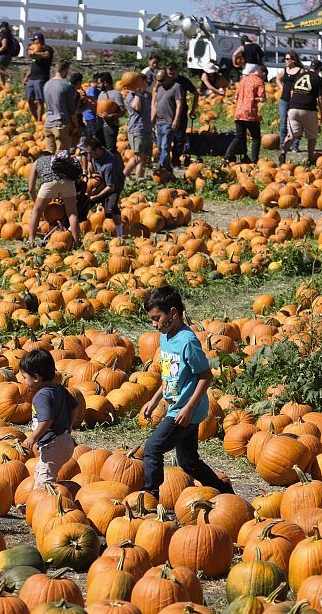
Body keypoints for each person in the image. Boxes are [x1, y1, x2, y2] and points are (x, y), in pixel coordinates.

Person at [140, 286, 233, 500]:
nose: (155, 324)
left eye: (157, 318)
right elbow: (168, 376)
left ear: (173, 313)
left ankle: (150, 495)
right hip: (177, 407)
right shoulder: (165, 337)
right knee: (188, 462)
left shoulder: (188, 341)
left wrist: (188, 409)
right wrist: (154, 401)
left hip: (185, 410)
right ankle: (222, 489)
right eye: (151, 320)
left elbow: (205, 376)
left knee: (152, 448)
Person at [21, 349, 79, 489]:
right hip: (65, 440)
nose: (23, 381)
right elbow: (75, 406)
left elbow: (47, 420)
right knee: (41, 471)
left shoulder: (41, 396)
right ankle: (59, 491)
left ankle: (43, 500)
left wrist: (33, 437)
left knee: (44, 479)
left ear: (36, 378)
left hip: (53, 444)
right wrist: (69, 425)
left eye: (24, 377)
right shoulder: (59, 389)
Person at [26, 149, 81, 247]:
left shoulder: (37, 162)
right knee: (72, 213)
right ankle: (77, 243)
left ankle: (31, 241)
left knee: (36, 212)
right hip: (68, 181)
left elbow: (31, 189)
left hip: (49, 183)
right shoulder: (56, 158)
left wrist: (38, 204)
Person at [280, 62, 322, 166]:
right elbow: (320, 99)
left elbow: (292, 92)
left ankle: (283, 153)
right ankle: (310, 158)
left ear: (310, 67)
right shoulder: (318, 79)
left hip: (293, 108)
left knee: (292, 135)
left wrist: (293, 104)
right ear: (319, 69)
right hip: (308, 109)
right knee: (312, 136)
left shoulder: (299, 76)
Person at [223, 65, 266, 166]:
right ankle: (254, 161)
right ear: (263, 73)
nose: (264, 78)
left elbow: (236, 96)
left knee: (239, 136)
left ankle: (227, 157)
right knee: (256, 137)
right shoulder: (259, 81)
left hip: (239, 112)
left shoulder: (243, 80)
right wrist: (255, 99)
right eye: (265, 76)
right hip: (250, 113)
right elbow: (262, 98)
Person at [85, 136, 125, 237]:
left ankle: (120, 233)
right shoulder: (93, 154)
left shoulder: (109, 165)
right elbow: (90, 162)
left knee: (111, 208)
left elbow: (110, 187)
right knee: (85, 201)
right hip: (102, 180)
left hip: (114, 184)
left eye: (90, 153)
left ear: (98, 150)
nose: (89, 155)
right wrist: (91, 174)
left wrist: (97, 196)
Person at [166, 63, 198, 166]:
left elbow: (196, 94)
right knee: (166, 138)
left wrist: (193, 109)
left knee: (179, 139)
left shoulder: (184, 81)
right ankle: (164, 161)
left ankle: (175, 161)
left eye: (173, 74)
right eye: (169, 74)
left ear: (177, 71)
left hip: (181, 114)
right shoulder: (165, 81)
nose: (171, 76)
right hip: (167, 113)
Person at [152, 69, 183, 172]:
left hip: (169, 121)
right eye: (158, 81)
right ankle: (168, 169)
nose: (160, 83)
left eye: (162, 80)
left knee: (165, 146)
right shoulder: (160, 88)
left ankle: (161, 167)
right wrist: (153, 119)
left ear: (168, 76)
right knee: (160, 147)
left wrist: (176, 120)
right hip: (159, 121)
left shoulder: (176, 87)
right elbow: (156, 105)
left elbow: (179, 105)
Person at [43, 60, 77, 154]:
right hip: (60, 123)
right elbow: (71, 110)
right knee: (62, 154)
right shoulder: (66, 86)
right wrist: (76, 125)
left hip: (48, 123)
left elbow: (46, 104)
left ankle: (47, 169)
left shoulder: (47, 84)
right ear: (65, 70)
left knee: (49, 153)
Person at [124, 78, 153, 178]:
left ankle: (139, 179)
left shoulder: (147, 95)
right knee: (138, 157)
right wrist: (136, 93)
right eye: (144, 81)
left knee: (144, 157)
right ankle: (123, 176)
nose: (146, 83)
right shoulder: (131, 96)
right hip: (137, 129)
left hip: (147, 128)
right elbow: (136, 107)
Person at [277, 51, 304, 152]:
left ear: (293, 60)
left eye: (287, 59)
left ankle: (295, 145)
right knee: (283, 121)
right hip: (284, 99)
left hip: (296, 100)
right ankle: (282, 144)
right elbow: (278, 79)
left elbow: (303, 83)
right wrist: (282, 88)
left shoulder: (300, 71)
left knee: (296, 122)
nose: (285, 61)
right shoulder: (285, 70)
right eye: (285, 59)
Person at [25, 32, 54, 122]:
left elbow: (46, 55)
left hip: (41, 78)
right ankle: (36, 119)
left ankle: (39, 121)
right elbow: (33, 66)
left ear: (39, 40)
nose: (33, 42)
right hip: (32, 78)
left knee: (39, 100)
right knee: (30, 100)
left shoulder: (47, 49)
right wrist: (27, 77)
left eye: (34, 40)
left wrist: (36, 54)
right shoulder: (35, 51)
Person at [93, 72, 125, 152]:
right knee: (101, 150)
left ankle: (116, 164)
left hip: (110, 126)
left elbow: (122, 111)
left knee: (111, 150)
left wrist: (111, 116)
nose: (98, 86)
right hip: (99, 126)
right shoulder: (101, 94)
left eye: (99, 83)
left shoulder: (116, 94)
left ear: (105, 83)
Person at [80, 76, 100, 146]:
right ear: (94, 83)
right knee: (93, 135)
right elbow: (92, 101)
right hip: (90, 115)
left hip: (92, 115)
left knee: (91, 134)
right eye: (98, 83)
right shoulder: (92, 90)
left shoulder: (97, 90)